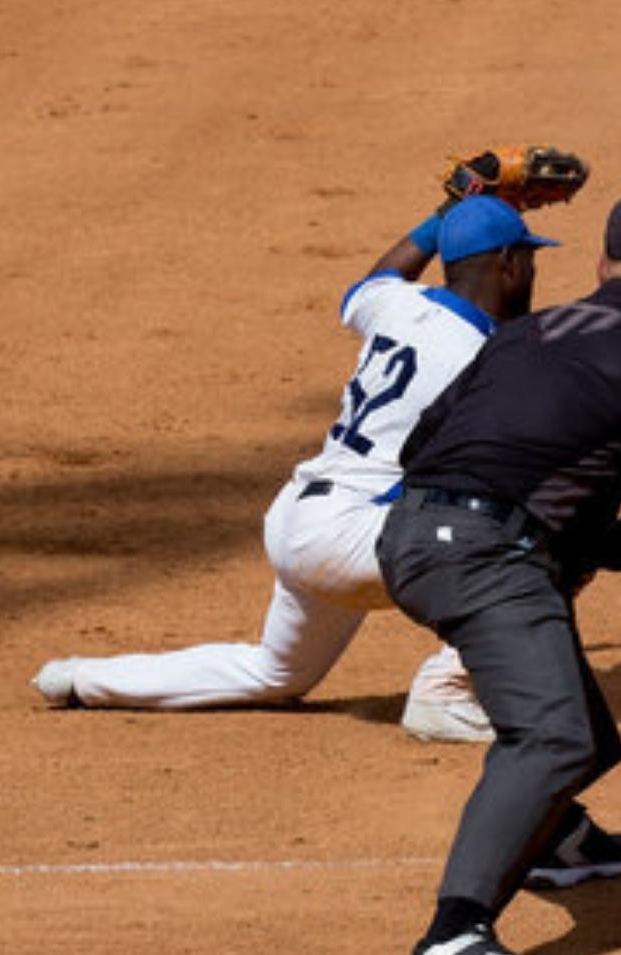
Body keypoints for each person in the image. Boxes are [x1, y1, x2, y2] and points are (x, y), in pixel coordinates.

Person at [31, 157, 592, 745]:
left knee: (275, 672)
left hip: (297, 517)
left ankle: (78, 678)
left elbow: (373, 281)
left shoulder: (400, 308)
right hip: (357, 539)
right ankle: (445, 690)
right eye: (528, 256)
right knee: (547, 527)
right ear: (507, 263)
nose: (532, 268)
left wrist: (446, 216)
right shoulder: (490, 357)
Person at [381, 189, 621, 955]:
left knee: (588, 740)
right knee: (553, 742)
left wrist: (545, 547)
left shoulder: (524, 331)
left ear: (602, 268)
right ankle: (453, 938)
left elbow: (424, 446)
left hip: (404, 538)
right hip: (488, 554)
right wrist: (577, 548)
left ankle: (557, 840)